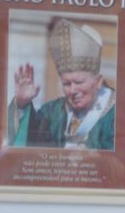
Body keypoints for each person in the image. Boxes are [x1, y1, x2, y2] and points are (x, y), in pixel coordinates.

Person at [8, 17, 116, 150]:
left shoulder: (117, 114)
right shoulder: (52, 112)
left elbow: (124, 161)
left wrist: (93, 156)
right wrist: (22, 104)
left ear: (98, 81)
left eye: (79, 82)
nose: (72, 90)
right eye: (66, 84)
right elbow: (24, 146)